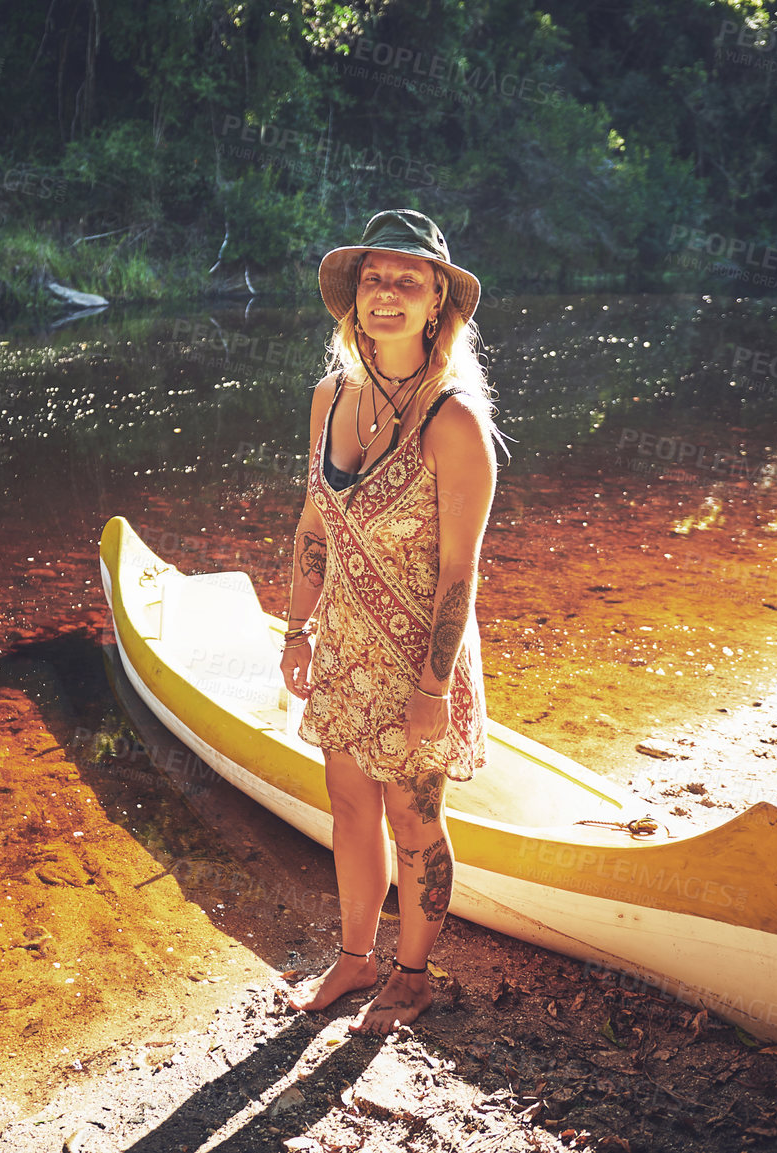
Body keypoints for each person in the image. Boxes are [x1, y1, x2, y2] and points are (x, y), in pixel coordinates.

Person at [279, 209, 504, 1035]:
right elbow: (312, 524)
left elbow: (459, 571)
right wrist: (295, 631)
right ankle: (352, 957)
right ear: (354, 298)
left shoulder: (456, 421)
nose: (388, 293)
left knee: (415, 820)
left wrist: (433, 688)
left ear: (437, 299)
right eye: (375, 278)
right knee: (347, 807)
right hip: (342, 640)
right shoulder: (328, 395)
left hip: (421, 657)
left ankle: (411, 975)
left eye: (408, 281)